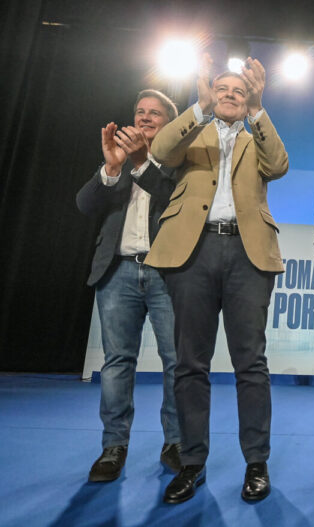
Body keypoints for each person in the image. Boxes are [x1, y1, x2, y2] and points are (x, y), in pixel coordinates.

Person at [145, 54, 290, 503]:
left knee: (251, 363)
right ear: (210, 94)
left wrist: (260, 108)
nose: (230, 96)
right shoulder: (194, 131)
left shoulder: (255, 136)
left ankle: (256, 463)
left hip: (248, 254)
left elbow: (278, 165)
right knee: (190, 363)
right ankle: (191, 462)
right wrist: (200, 106)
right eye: (222, 89)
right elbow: (159, 151)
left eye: (239, 92)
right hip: (193, 251)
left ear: (248, 101)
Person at [76, 89, 181, 482]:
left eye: (155, 113)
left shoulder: (181, 161)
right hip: (118, 272)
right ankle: (113, 446)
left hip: (167, 274)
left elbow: (175, 201)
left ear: (170, 123)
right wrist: (111, 167)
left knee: (178, 362)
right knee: (117, 362)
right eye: (140, 111)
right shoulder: (117, 160)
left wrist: (141, 163)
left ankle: (176, 443)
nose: (145, 117)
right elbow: (85, 205)